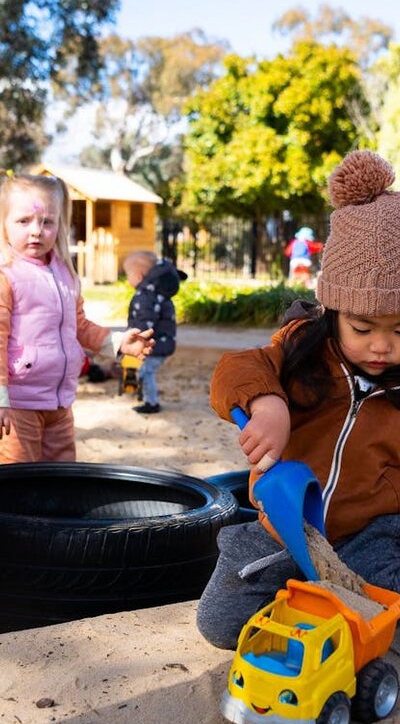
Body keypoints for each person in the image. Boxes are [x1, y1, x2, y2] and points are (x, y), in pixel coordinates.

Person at [197, 149, 400, 650]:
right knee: (220, 624)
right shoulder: (301, 348)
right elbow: (235, 369)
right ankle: (310, 593)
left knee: (387, 616)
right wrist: (269, 403)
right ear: (332, 311)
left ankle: (332, 600)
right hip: (283, 525)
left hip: (368, 533)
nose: (381, 345)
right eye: (363, 327)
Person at [0, 172, 154, 462]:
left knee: (62, 480)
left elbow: (79, 326)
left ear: (59, 224)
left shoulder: (64, 274)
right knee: (18, 485)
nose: (36, 230)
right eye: (24, 221)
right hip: (18, 405)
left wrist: (118, 343)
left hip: (60, 403)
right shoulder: (6, 276)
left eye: (47, 222)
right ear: (4, 225)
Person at [124, 250, 186, 414]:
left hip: (155, 344)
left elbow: (145, 322)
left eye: (127, 275)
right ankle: (144, 396)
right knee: (143, 370)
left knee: (146, 371)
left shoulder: (146, 296)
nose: (127, 279)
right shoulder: (154, 293)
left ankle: (151, 403)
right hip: (161, 341)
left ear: (138, 277)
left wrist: (135, 339)